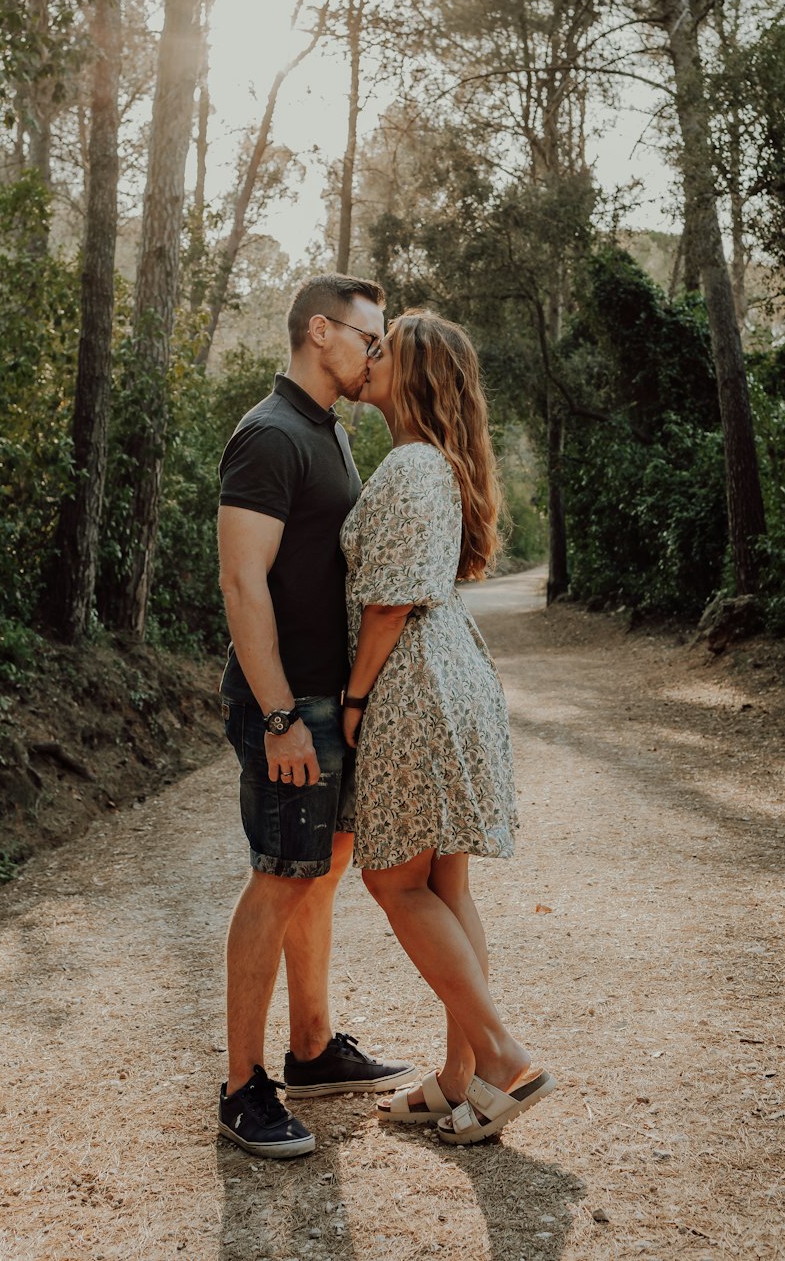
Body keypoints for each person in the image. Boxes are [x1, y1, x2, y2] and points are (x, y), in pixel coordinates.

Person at [339, 309, 555, 1146]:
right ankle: (463, 1077)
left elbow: (389, 601)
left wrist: (355, 700)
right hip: (452, 669)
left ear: (415, 376)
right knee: (445, 884)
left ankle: (502, 1056)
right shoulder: (440, 465)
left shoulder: (408, 465)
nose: (370, 355)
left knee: (393, 881)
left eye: (383, 349)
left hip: (413, 680)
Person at [216, 274, 415, 1160]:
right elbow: (241, 581)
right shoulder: (267, 436)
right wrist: (279, 715)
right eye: (369, 338)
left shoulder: (329, 430)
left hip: (330, 699)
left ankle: (312, 1049)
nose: (376, 354)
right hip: (287, 704)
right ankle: (240, 1086)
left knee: (321, 870)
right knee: (279, 875)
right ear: (320, 330)